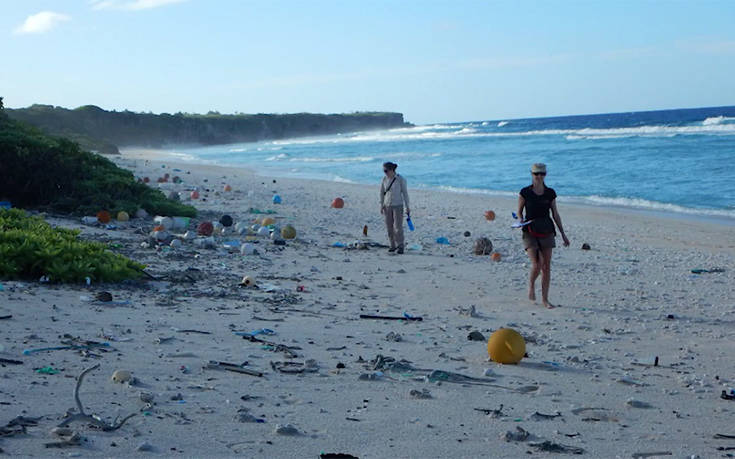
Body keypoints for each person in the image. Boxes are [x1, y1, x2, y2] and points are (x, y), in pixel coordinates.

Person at [517, 163, 569, 308]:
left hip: (546, 229)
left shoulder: (550, 193)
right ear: (531, 174)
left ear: (545, 174)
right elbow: (520, 212)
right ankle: (531, 285)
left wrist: (563, 234)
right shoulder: (525, 192)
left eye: (542, 174)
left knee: (546, 266)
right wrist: (520, 220)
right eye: (536, 174)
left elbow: (556, 214)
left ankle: (545, 299)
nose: (539, 177)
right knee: (537, 264)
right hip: (529, 230)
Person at [380, 162, 410, 254]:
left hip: (398, 205)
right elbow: (382, 193)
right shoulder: (384, 179)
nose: (385, 173)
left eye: (386, 171)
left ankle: (400, 246)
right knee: (389, 227)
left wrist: (407, 207)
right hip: (387, 205)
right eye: (383, 171)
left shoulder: (400, 179)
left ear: (392, 170)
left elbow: (405, 193)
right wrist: (381, 205)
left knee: (398, 227)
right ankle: (392, 245)